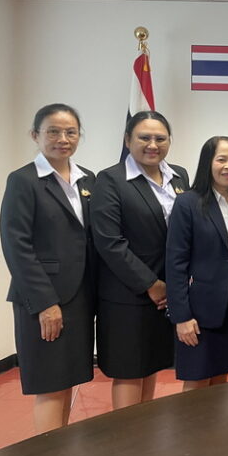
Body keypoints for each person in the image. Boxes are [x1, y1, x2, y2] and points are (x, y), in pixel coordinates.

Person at [0, 104, 96, 433]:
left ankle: (60, 450)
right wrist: (45, 303)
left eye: (70, 132)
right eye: (53, 131)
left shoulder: (87, 179)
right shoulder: (23, 180)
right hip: (43, 300)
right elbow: (17, 246)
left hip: (79, 297)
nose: (62, 139)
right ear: (35, 135)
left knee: (68, 379)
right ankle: (48, 455)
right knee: (50, 384)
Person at [91, 111, 189, 409]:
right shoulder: (110, 179)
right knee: (130, 371)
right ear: (127, 140)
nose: (153, 145)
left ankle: (143, 432)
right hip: (128, 294)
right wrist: (151, 284)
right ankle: (126, 436)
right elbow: (109, 242)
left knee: (151, 365)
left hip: (168, 292)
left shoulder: (179, 176)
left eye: (160, 138)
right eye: (144, 137)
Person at [165, 136, 228, 389]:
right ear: (208, 163)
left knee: (222, 377)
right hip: (200, 307)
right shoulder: (188, 203)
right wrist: (181, 316)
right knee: (197, 378)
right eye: (222, 159)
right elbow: (175, 263)